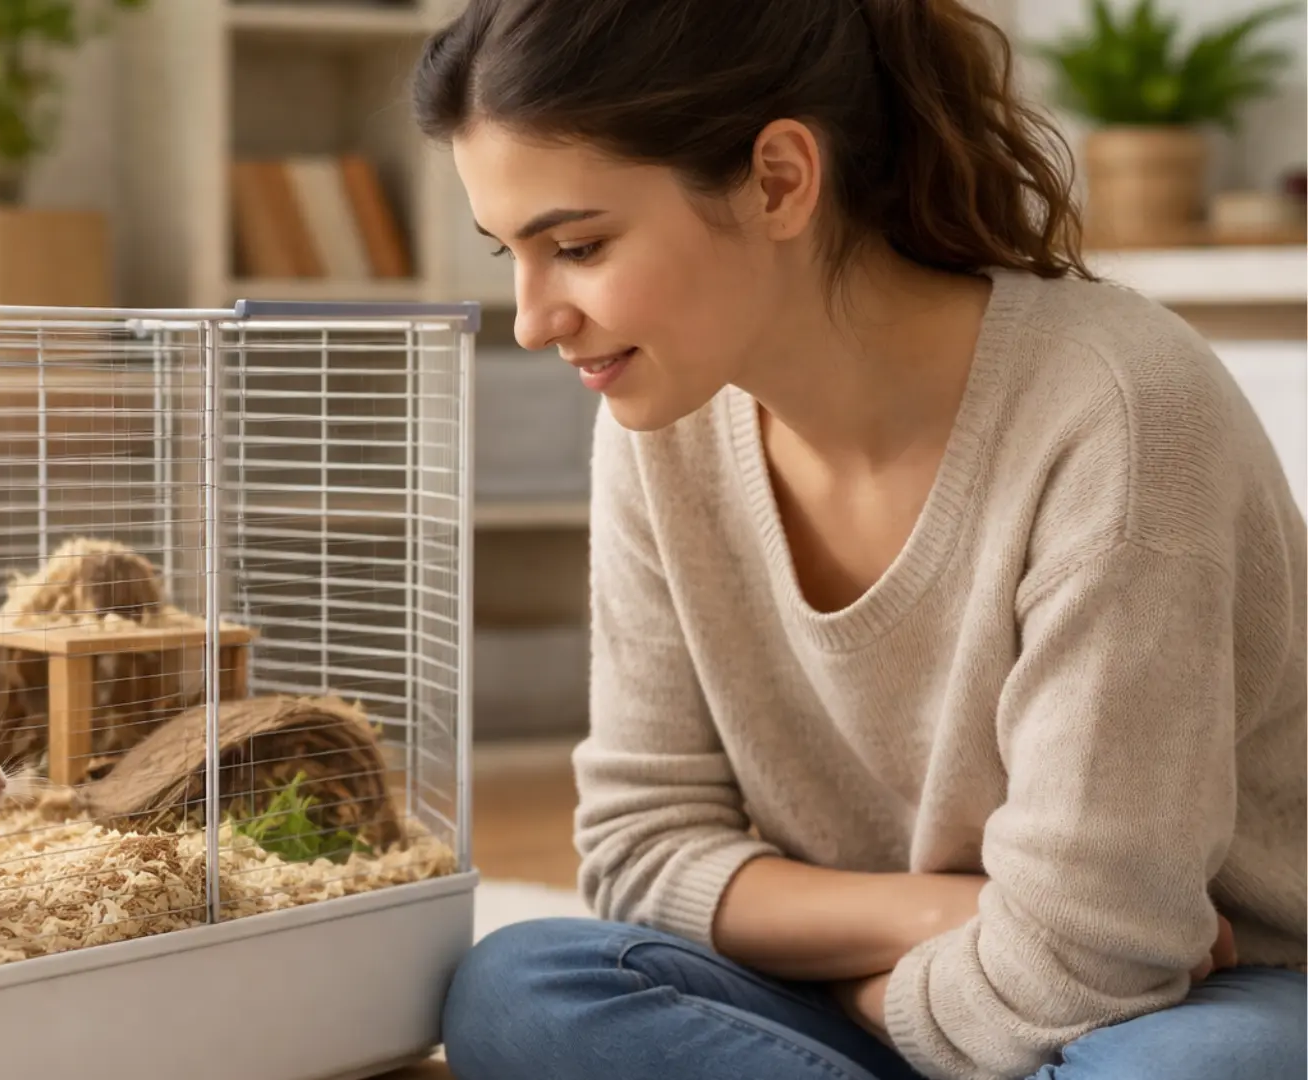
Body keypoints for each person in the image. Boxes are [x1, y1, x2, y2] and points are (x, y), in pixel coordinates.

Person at [410, 1, 1307, 1078]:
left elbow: (1097, 952)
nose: (533, 316)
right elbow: (642, 852)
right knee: (520, 991)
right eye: (510, 252)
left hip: (1204, 993)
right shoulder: (660, 428)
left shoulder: (1120, 413)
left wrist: (871, 995)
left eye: (579, 246)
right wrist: (926, 925)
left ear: (781, 179)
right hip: (936, 970)